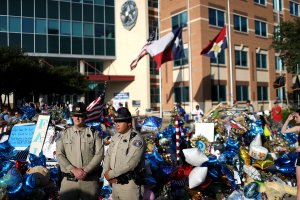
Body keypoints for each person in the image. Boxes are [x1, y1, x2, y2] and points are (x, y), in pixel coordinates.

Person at [56, 102, 104, 200]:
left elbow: (99, 154)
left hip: (89, 181)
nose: (77, 118)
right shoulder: (64, 134)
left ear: (85, 117)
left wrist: (86, 170)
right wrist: (73, 169)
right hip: (69, 182)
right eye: (75, 115)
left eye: (80, 116)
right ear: (72, 117)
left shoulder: (94, 133)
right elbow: (59, 155)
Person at [104, 107, 145, 200]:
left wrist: (110, 174)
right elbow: (108, 155)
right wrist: (106, 172)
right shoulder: (116, 137)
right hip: (115, 183)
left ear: (129, 123)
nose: (117, 124)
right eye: (116, 122)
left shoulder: (136, 139)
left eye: (120, 122)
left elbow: (130, 163)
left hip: (129, 185)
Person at [281, 109, 300, 198]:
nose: (295, 119)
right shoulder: (298, 128)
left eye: (296, 117)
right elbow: (283, 131)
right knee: (299, 186)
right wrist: (288, 120)